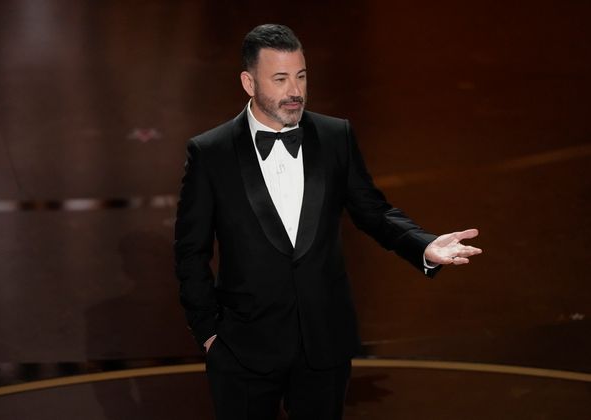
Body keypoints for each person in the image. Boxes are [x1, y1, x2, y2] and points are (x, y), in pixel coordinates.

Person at [174, 23, 482, 420]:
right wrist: (209, 334)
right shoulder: (210, 152)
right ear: (249, 83)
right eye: (281, 79)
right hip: (243, 349)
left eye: (301, 76)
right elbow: (190, 251)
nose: (295, 91)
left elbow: (373, 211)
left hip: (323, 347)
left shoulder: (335, 136)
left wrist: (423, 244)